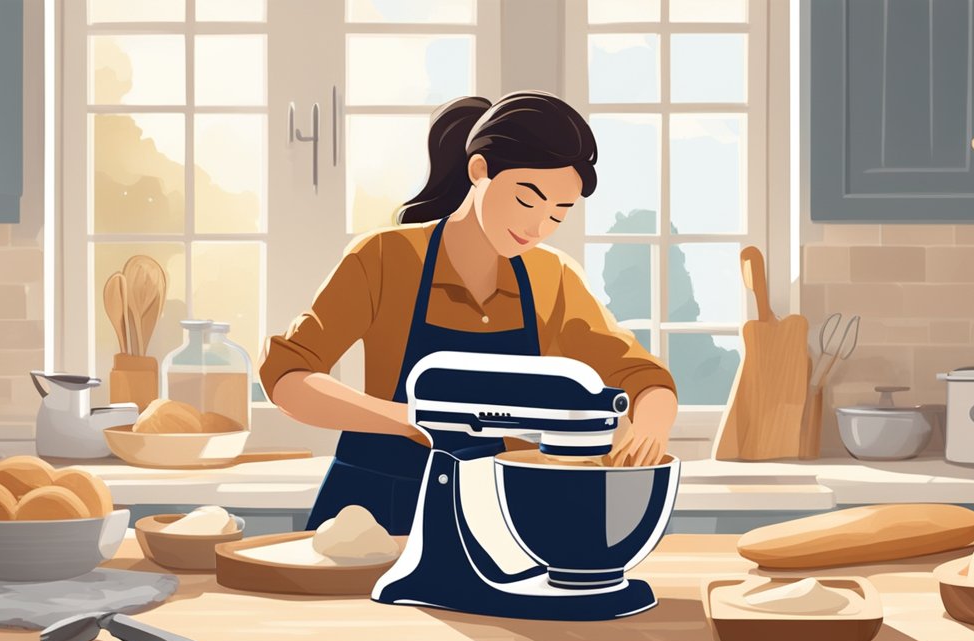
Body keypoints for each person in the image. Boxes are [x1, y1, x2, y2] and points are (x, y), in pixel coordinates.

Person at [260, 91, 679, 535]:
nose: (538, 228)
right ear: (479, 170)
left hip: (497, 510)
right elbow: (289, 378)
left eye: (558, 215)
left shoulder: (550, 277)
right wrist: (409, 421)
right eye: (527, 200)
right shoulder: (385, 258)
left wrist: (652, 420)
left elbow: (638, 373)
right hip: (373, 511)